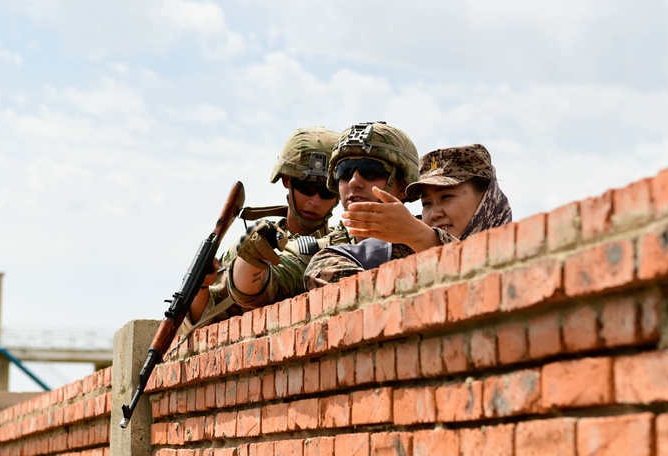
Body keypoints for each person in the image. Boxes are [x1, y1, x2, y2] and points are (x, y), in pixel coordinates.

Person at [229, 121, 420, 308]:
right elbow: (256, 291)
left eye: (371, 171)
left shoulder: (435, 237)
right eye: (344, 172)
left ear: (403, 185)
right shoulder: (323, 253)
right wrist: (252, 258)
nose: (353, 182)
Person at [182, 126, 340, 332]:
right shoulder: (252, 242)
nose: (315, 200)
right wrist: (202, 285)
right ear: (286, 181)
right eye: (307, 188)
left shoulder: (345, 246)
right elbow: (203, 324)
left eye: (326, 191)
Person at [304, 143, 512, 289]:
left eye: (446, 197)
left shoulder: (519, 249)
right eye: (426, 204)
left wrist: (425, 239)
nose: (435, 213)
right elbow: (320, 267)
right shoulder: (407, 247)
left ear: (486, 201)